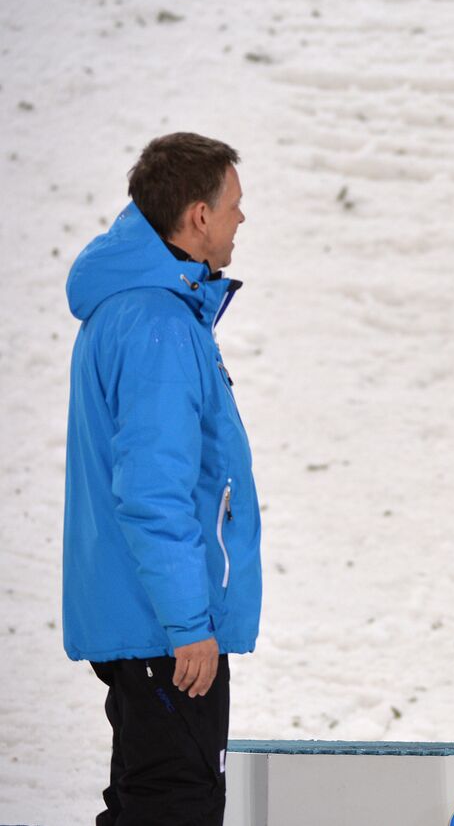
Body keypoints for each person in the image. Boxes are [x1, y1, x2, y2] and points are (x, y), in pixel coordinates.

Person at [64, 133, 262, 825]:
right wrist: (187, 624)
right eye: (234, 204)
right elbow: (153, 492)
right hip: (162, 630)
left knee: (152, 801)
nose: (243, 218)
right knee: (174, 807)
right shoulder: (157, 326)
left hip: (144, 620)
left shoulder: (139, 310)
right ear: (198, 216)